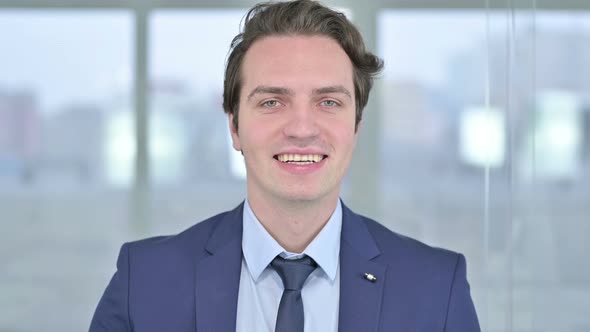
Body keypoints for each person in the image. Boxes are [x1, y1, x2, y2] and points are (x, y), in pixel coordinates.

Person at [89, 1, 480, 331]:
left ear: (356, 127)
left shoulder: (435, 291)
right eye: (272, 102)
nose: (301, 128)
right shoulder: (143, 284)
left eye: (328, 102)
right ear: (234, 127)